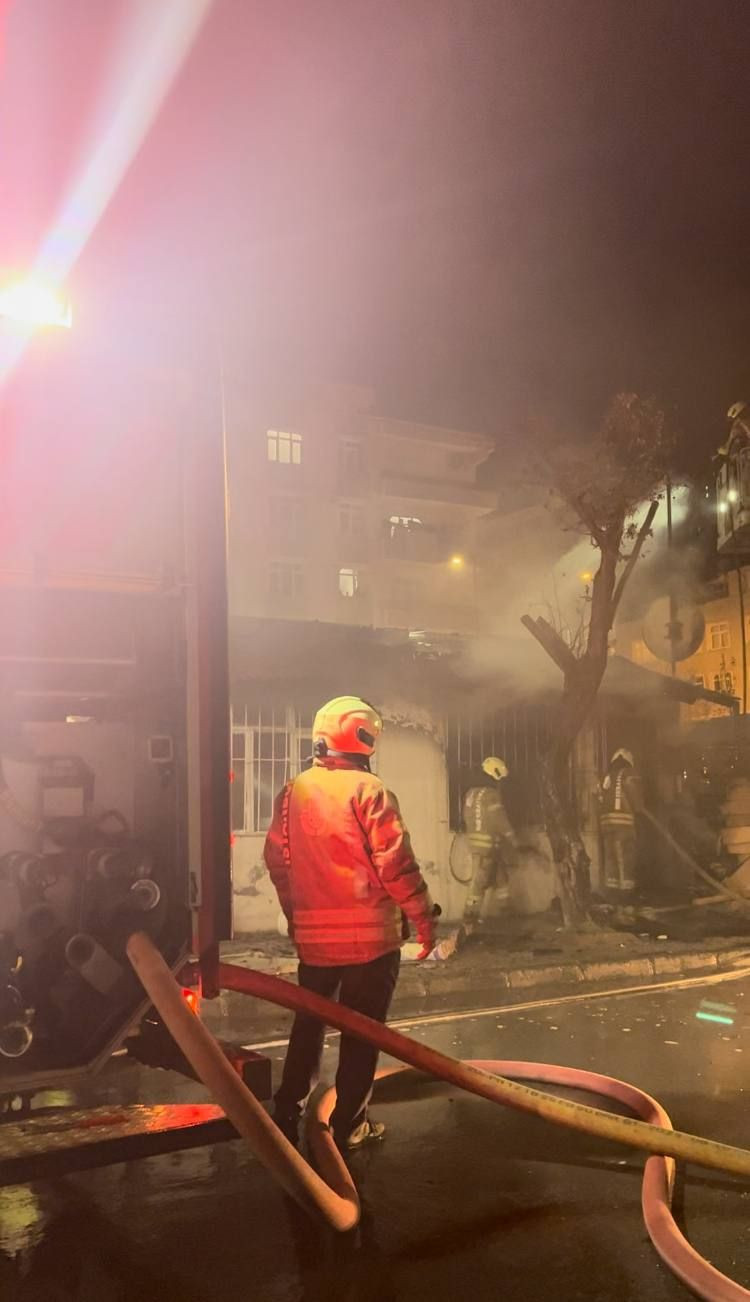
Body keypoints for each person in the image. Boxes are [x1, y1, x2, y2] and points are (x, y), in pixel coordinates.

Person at [265, 695, 437, 1153]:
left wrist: (297, 916)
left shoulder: (291, 793)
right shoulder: (370, 791)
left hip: (314, 945)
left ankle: (286, 1108)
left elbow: (278, 865)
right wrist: (423, 920)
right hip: (371, 945)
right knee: (361, 1035)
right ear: (364, 738)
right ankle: (350, 1125)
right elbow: (395, 866)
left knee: (309, 1025)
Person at [461, 756, 516, 932]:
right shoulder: (491, 794)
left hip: (476, 845)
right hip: (488, 846)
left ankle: (505, 912)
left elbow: (467, 818)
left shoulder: (470, 793)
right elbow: (499, 820)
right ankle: (470, 918)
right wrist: (513, 838)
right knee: (479, 884)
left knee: (501, 878)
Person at [598, 748, 641, 902]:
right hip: (624, 823)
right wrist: (639, 808)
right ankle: (626, 896)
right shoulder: (629, 773)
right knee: (625, 857)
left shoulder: (607, 776)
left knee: (611, 857)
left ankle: (612, 894)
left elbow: (600, 798)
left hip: (606, 824)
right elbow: (635, 797)